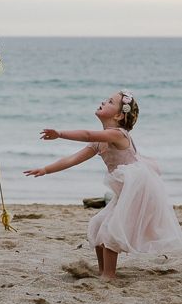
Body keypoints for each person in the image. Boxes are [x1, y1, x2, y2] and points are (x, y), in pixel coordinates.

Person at [24, 90, 182, 280]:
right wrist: (46, 169)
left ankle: (109, 275)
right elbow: (73, 159)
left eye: (110, 102)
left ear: (118, 115)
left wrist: (60, 133)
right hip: (125, 189)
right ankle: (102, 271)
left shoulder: (118, 134)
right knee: (98, 225)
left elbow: (87, 134)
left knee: (111, 229)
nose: (103, 102)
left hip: (138, 187)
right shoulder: (100, 142)